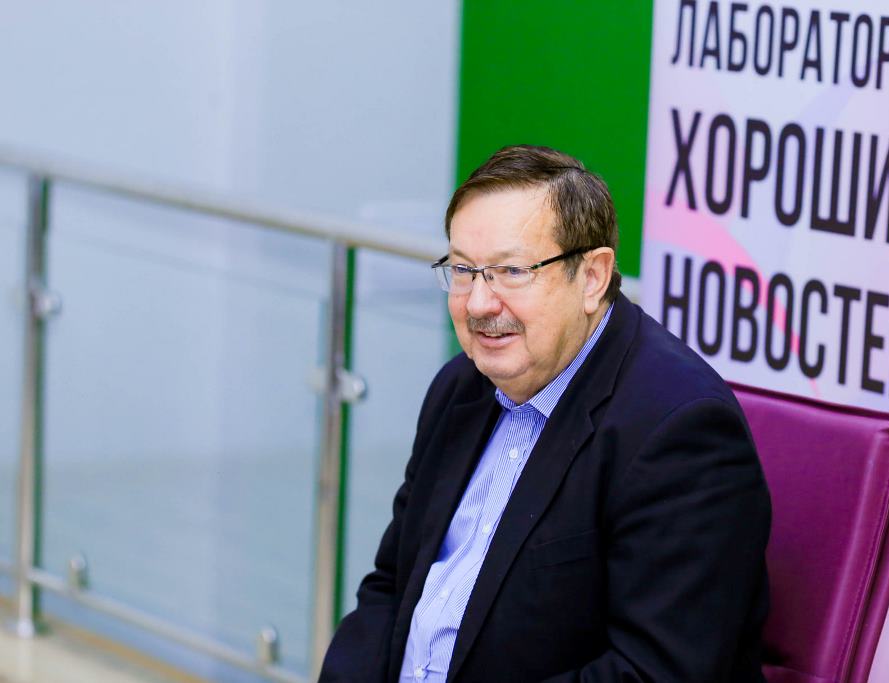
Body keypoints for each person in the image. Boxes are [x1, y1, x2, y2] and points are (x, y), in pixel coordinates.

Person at [318, 145, 771, 682]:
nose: (479, 303)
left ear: (593, 277)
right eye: (463, 270)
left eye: (511, 271)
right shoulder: (461, 387)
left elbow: (655, 672)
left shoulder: (680, 432)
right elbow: (393, 585)